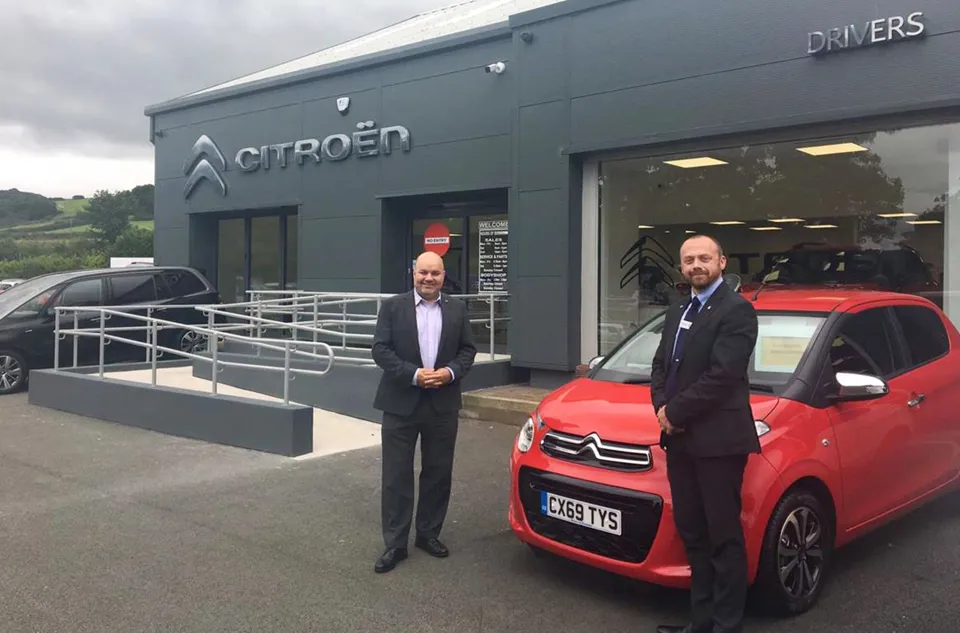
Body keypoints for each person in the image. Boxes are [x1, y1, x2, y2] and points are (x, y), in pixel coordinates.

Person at [650, 235, 760, 633]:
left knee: (722, 535)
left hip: (718, 442)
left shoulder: (737, 311)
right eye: (689, 260)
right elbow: (661, 364)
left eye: (704, 258)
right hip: (679, 439)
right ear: (681, 267)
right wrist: (662, 409)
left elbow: (723, 375)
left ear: (722, 262)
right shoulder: (678, 309)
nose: (696, 265)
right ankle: (701, 622)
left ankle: (726, 625)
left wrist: (675, 411)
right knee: (693, 533)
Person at [370, 251, 478, 573]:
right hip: (400, 403)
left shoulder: (457, 308)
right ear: (413, 273)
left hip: (442, 405)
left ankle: (428, 534)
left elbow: (468, 350)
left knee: (438, 472)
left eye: (435, 273)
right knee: (396, 475)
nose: (428, 278)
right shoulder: (392, 306)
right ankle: (395, 544)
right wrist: (414, 375)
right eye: (423, 272)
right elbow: (380, 349)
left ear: (444, 276)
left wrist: (449, 373)